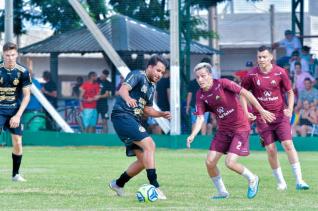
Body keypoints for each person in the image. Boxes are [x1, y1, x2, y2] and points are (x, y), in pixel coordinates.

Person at [186, 62, 275, 199]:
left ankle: (252, 178)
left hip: (240, 128)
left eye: (203, 76)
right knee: (209, 162)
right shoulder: (200, 95)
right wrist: (193, 134)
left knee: (230, 162)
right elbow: (200, 118)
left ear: (210, 75)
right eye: (197, 77)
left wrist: (261, 110)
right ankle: (222, 192)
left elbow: (246, 93)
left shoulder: (223, 83)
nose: (200, 80)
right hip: (223, 130)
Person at [241, 45, 309, 191]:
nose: (261, 59)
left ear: (271, 57)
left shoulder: (280, 72)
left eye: (264, 57)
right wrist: (246, 112)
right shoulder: (251, 75)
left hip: (280, 115)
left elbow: (290, 92)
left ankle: (299, 180)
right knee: (271, 150)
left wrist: (290, 109)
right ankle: (281, 182)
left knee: (288, 145)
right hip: (262, 118)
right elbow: (243, 93)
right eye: (259, 57)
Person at [109, 54, 171, 200]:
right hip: (123, 116)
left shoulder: (152, 86)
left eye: (162, 72)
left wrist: (161, 113)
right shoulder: (137, 75)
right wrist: (128, 98)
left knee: (144, 161)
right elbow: (123, 89)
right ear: (149, 67)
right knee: (150, 145)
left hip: (133, 121)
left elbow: (147, 110)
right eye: (158, 70)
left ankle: (118, 184)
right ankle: (155, 187)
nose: (159, 74)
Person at [0, 42, 32, 181]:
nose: (10, 58)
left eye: (13, 55)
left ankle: (15, 174)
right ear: (3, 55)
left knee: (18, 142)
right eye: (7, 55)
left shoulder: (22, 71)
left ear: (17, 54)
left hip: (14, 111)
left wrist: (18, 115)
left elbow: (27, 96)